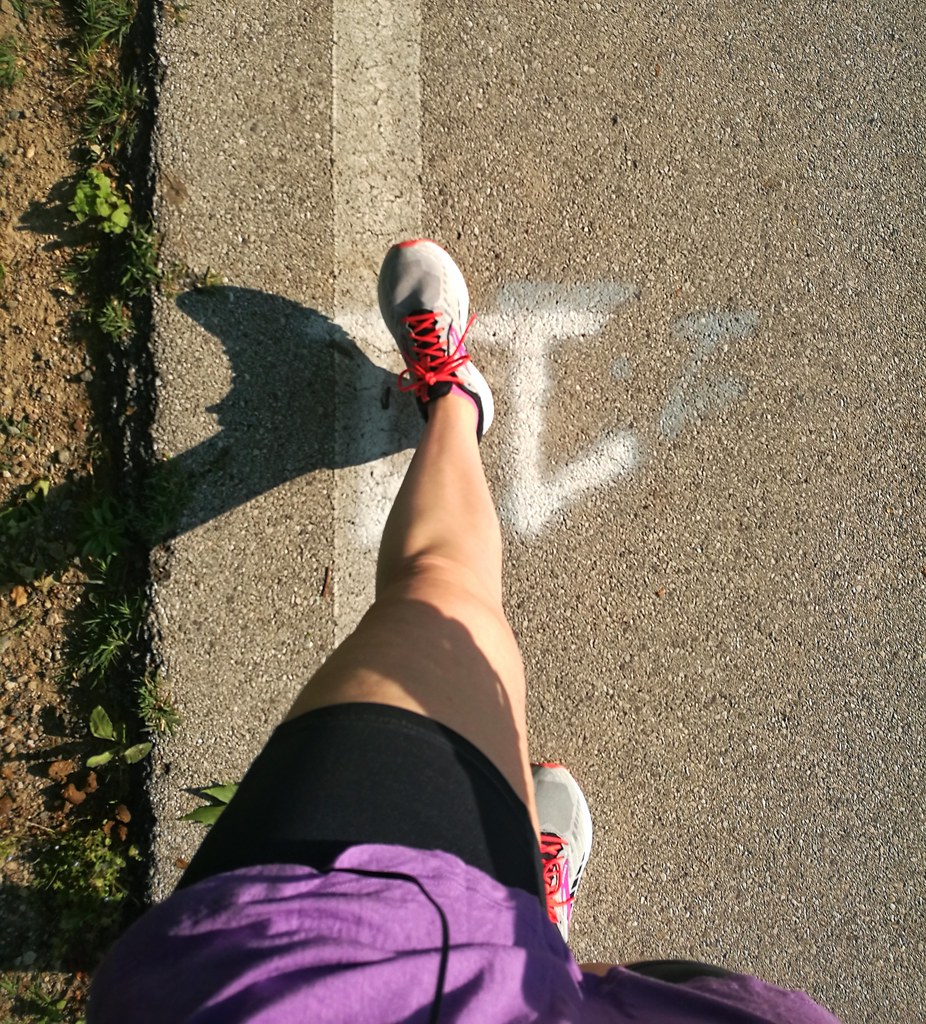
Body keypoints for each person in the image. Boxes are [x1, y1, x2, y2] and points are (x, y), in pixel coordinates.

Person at [89, 240, 843, 1023]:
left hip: (327, 974)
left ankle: (454, 399)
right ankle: (537, 931)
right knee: (637, 990)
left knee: (437, 591)